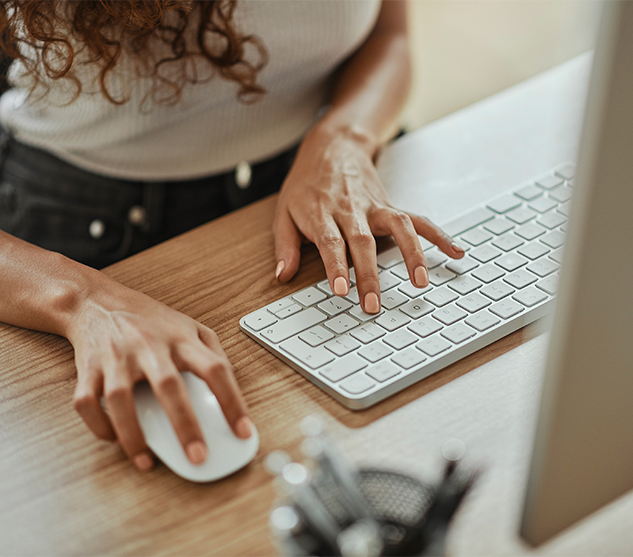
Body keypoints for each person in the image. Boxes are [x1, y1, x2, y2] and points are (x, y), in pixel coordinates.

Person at [0, 0, 464, 472]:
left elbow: (390, 35)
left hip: (318, 172)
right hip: (83, 227)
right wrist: (81, 301)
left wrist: (345, 138)